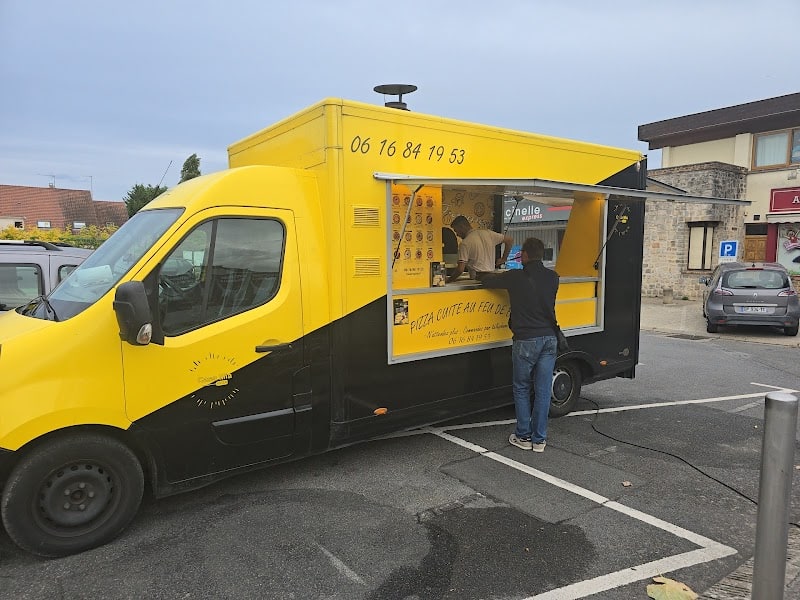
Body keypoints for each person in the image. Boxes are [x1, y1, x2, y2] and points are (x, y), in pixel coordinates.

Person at [481, 237, 558, 452]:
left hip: (526, 340)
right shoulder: (554, 277)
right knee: (543, 391)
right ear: (542, 255)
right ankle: (539, 440)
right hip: (549, 339)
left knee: (522, 388)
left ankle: (523, 436)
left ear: (523, 255)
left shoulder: (515, 277)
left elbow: (487, 281)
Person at [446, 216, 513, 283]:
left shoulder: (465, 243)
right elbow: (509, 240)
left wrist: (449, 280)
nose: (457, 234)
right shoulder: (489, 234)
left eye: (456, 230)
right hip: (491, 278)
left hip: (477, 279)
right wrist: (504, 259)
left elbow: (460, 269)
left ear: (462, 226)